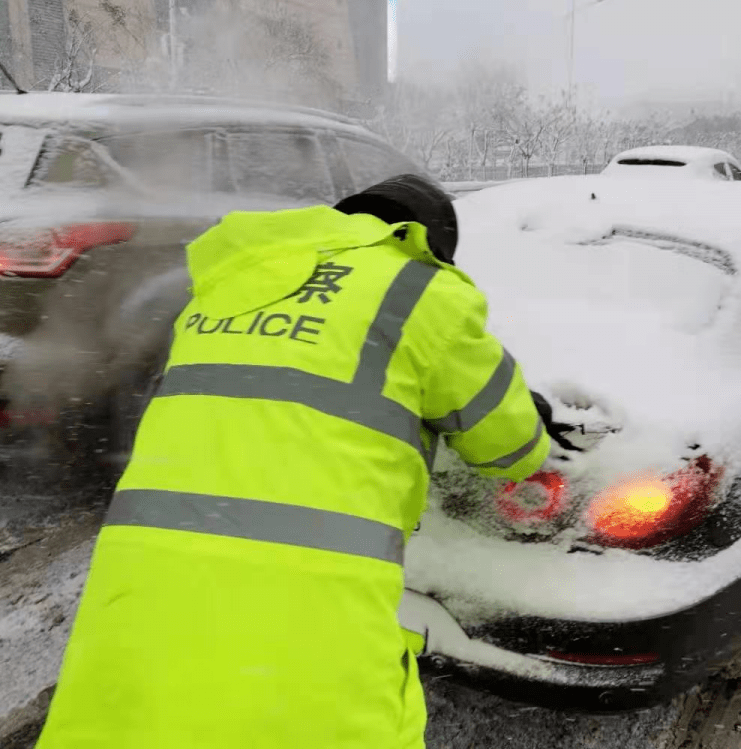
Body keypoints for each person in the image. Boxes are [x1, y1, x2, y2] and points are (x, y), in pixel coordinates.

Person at [35, 174, 558, 749]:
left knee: (126, 717)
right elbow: (512, 448)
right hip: (309, 595)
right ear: (427, 242)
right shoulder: (419, 290)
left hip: (140, 582)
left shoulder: (225, 283)